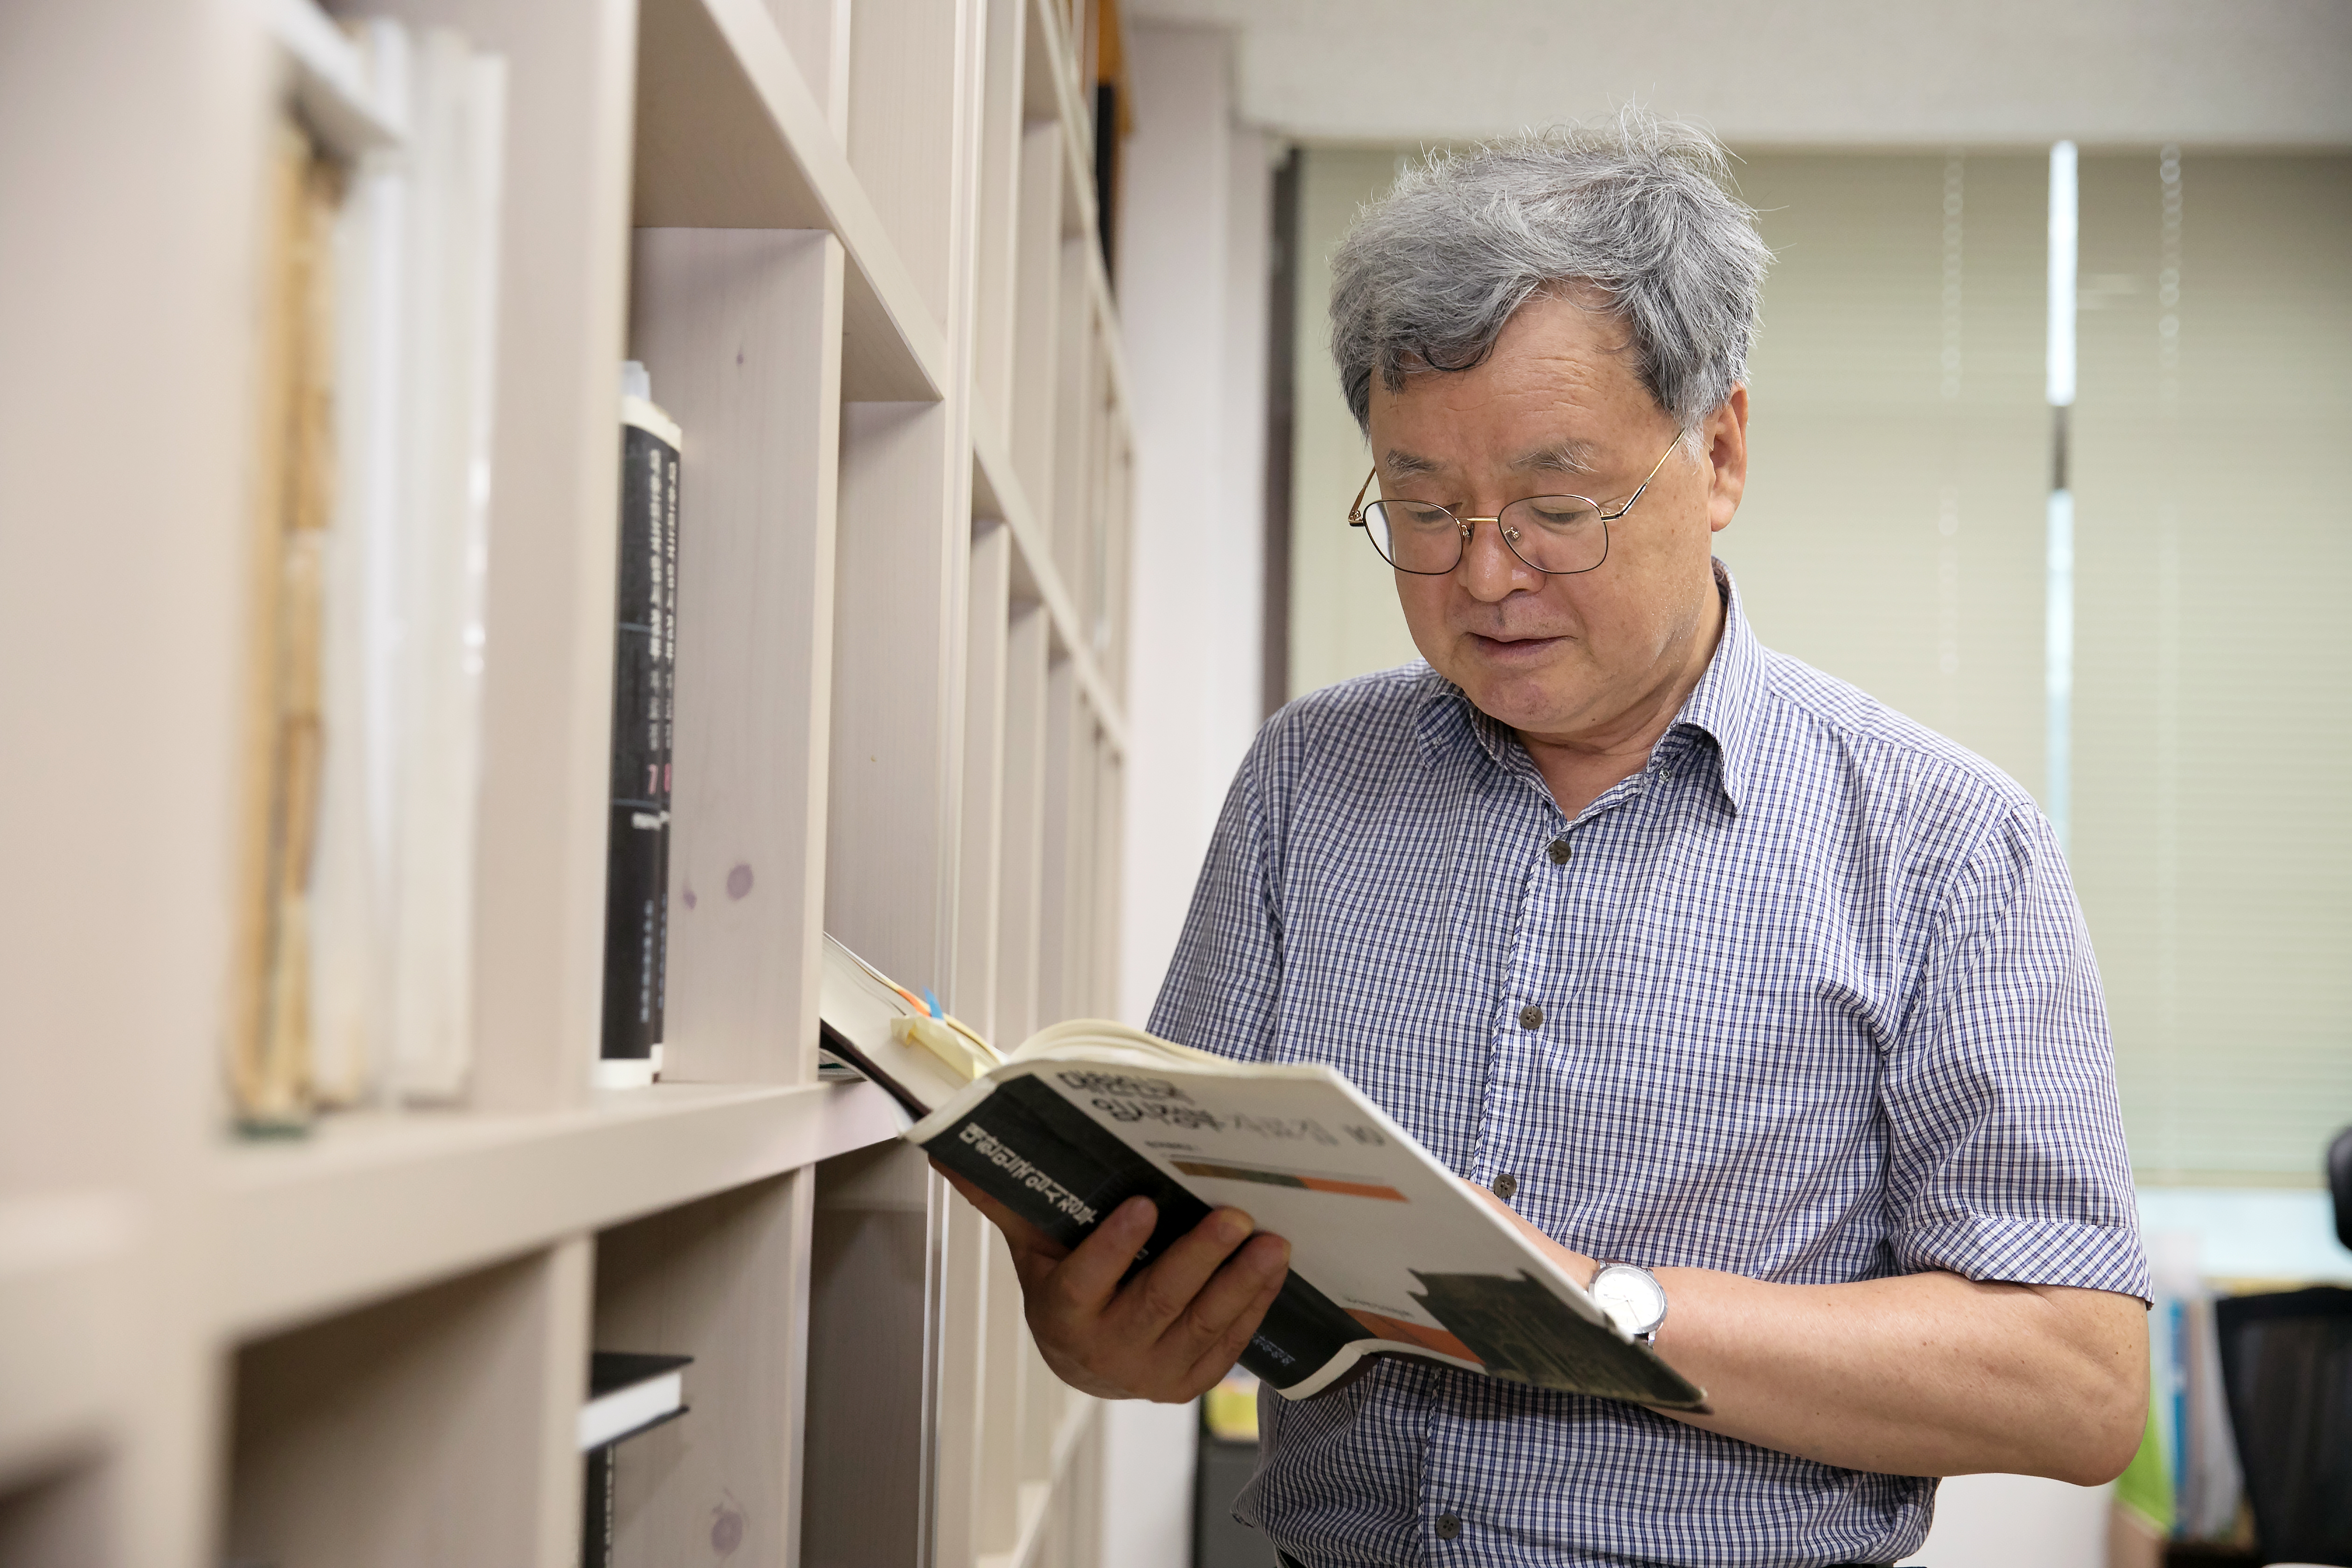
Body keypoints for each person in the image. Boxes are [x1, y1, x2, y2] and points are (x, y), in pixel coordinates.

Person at [944, 111, 2150, 1567]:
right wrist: (1102, 1332)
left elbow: (2079, 1387)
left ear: (1719, 453)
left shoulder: (1946, 846)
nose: (1485, 574)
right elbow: (1177, 1282)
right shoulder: (1309, 780)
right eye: (1423, 508)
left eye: (1557, 506)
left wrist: (1595, 1307)